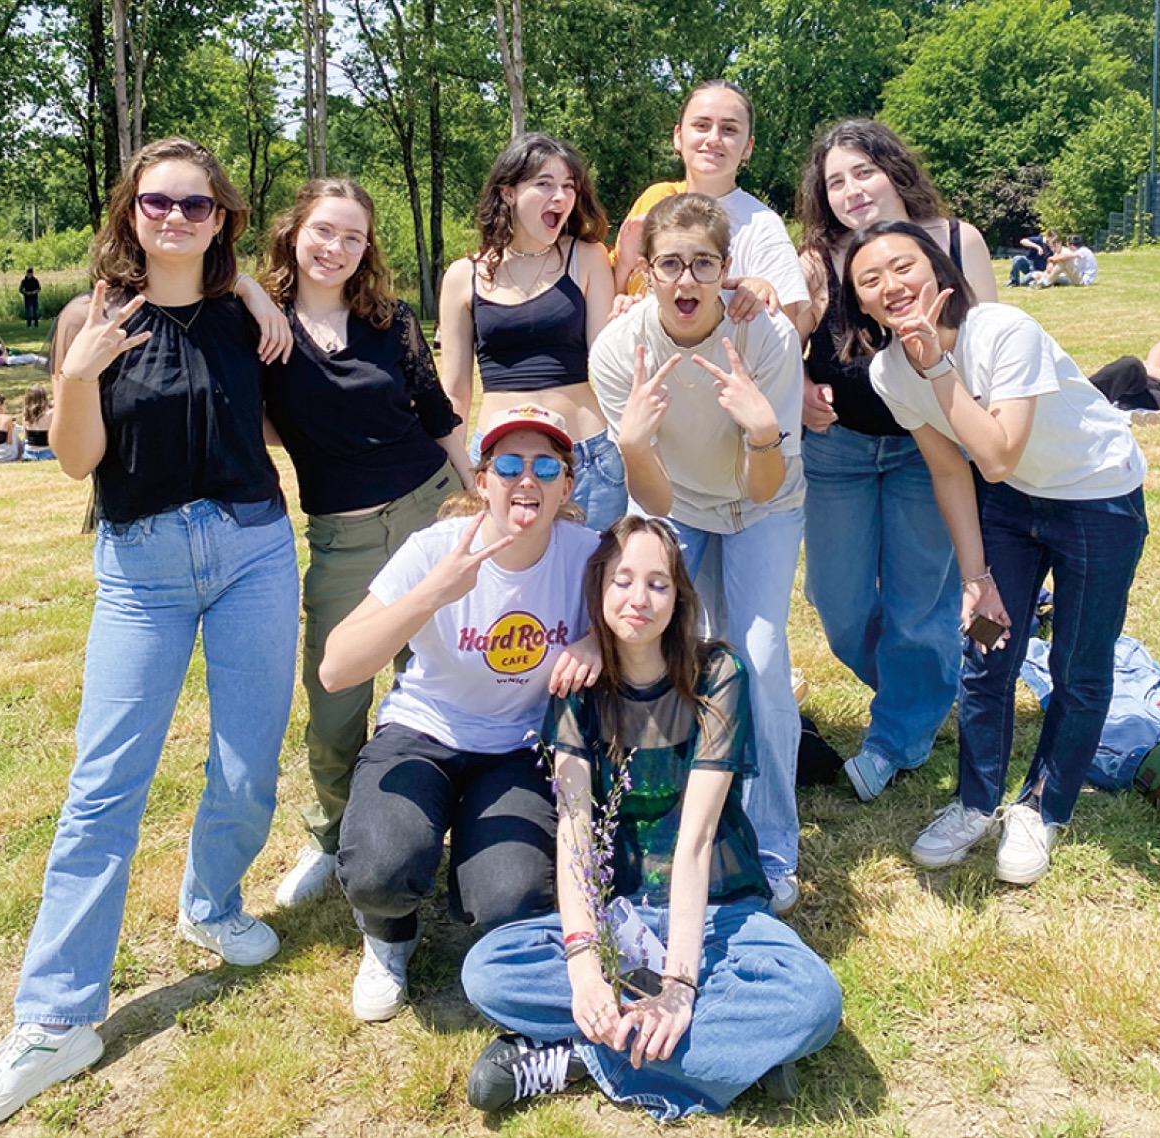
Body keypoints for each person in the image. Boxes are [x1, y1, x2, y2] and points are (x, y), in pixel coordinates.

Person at [0, 137, 300, 1130]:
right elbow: (77, 461)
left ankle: (211, 902)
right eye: (157, 202)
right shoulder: (91, 317)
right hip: (141, 569)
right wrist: (76, 375)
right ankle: (56, 1016)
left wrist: (255, 291)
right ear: (130, 212)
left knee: (247, 764)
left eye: (196, 205)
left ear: (221, 218)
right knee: (103, 785)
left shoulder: (244, 314)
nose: (175, 218)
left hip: (252, 550)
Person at [461, 517, 841, 1120]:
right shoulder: (578, 688)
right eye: (623, 581)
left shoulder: (718, 676)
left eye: (658, 583)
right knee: (486, 971)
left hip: (717, 910)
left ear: (679, 596)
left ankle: (580, 1059)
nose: (639, 598)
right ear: (598, 591)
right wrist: (585, 970)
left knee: (813, 1001)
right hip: (621, 919)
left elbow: (696, 842)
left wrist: (680, 986)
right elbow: (575, 834)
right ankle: (732, 1050)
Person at [839, 220, 1147, 884]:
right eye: (870, 279)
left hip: (1097, 496)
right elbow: (952, 470)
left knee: (1078, 667)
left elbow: (998, 454)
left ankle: (1041, 807)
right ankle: (976, 802)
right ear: (859, 302)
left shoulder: (1004, 331)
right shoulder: (889, 372)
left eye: (903, 266)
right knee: (985, 649)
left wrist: (936, 365)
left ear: (936, 270)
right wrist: (975, 577)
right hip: (1010, 506)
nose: (891, 285)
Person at [318, 405, 601, 1024]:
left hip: (518, 747)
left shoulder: (589, 556)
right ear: (482, 480)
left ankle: (473, 875)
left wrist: (598, 642)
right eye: (509, 464)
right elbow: (336, 667)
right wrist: (431, 595)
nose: (526, 479)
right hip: (424, 730)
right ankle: (389, 935)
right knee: (379, 869)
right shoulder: (436, 550)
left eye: (545, 466)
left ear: (566, 487)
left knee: (511, 900)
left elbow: (663, 618)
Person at [259, 178, 472, 908]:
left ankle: (441, 826)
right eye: (324, 230)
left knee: (437, 676)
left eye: (353, 237)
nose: (337, 248)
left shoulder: (390, 320)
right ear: (294, 231)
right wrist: (255, 296)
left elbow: (437, 413)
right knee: (335, 698)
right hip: (341, 536)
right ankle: (332, 834)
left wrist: (476, 493)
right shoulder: (260, 328)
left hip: (427, 509)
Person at [591, 193, 805, 915]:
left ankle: (772, 843)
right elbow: (652, 500)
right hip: (677, 502)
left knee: (760, 657)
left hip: (763, 502)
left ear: (726, 267)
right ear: (645, 271)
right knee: (661, 644)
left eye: (704, 264)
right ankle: (661, 816)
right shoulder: (619, 351)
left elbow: (763, 484)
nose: (687, 281)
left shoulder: (765, 336)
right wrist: (632, 445)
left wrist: (761, 430)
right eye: (671, 265)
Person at [796, 118, 998, 803]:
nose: (851, 190)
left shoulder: (956, 241)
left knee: (919, 606)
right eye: (836, 182)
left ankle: (894, 740)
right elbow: (782, 342)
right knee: (838, 603)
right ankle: (930, 687)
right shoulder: (818, 260)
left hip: (929, 449)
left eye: (864, 171)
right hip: (839, 449)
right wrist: (799, 385)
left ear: (894, 169)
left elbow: (989, 342)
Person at [438, 134, 624, 531]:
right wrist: (466, 473)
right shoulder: (462, 276)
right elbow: (454, 393)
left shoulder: (587, 258)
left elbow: (609, 367)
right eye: (544, 184)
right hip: (500, 467)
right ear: (508, 193)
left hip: (586, 460)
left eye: (569, 186)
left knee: (595, 571)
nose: (560, 196)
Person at [612, 79, 809, 329]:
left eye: (729, 129)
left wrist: (761, 293)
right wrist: (624, 270)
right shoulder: (653, 202)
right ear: (678, 136)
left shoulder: (762, 225)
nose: (714, 138)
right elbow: (611, 305)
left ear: (748, 147)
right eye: (701, 126)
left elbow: (786, 334)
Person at [1030, 234, 1097, 287]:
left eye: (1068, 246)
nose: (1068, 248)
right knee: (1056, 276)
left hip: (1084, 281)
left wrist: (1052, 259)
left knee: (1064, 260)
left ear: (1072, 245)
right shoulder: (1082, 251)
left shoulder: (1083, 251)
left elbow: (1065, 257)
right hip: (1077, 278)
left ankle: (1044, 283)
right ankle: (1041, 281)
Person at [21, 382, 55, 460]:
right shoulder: (51, 413)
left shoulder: (25, 413)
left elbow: (25, 435)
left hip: (29, 453)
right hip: (47, 452)